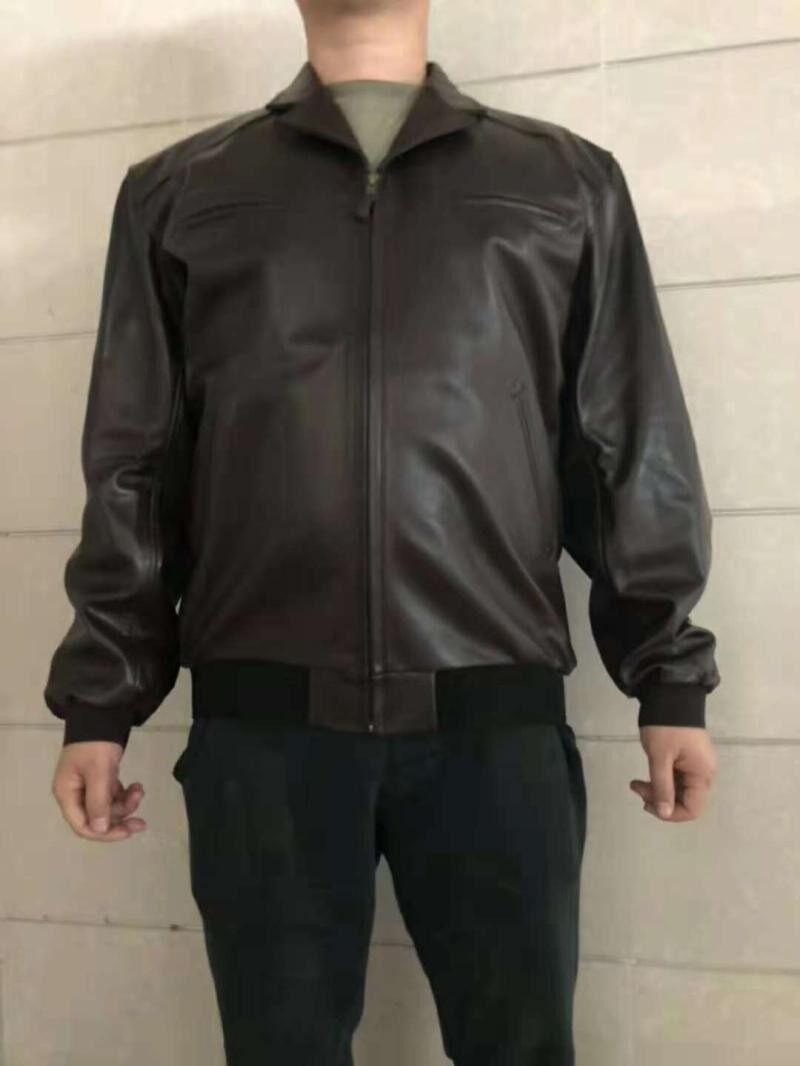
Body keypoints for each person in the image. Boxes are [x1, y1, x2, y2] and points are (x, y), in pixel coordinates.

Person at [44, 1, 721, 1062]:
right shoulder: (179, 194)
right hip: (263, 731)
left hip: (494, 720)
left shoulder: (562, 184)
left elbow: (626, 442)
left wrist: (666, 675)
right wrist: (102, 698)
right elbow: (135, 464)